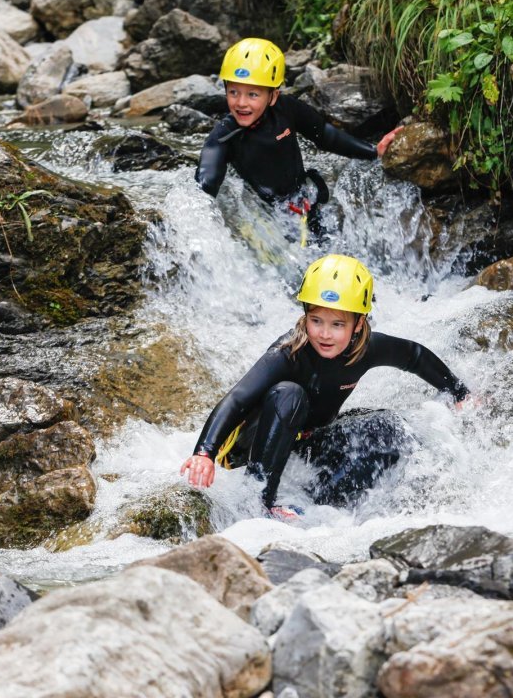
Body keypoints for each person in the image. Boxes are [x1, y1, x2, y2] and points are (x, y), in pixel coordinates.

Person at [180, 254, 470, 517]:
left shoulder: (368, 348)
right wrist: (204, 452)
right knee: (290, 395)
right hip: (250, 447)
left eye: (337, 324)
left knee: (386, 427)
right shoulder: (288, 351)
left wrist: (459, 392)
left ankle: (333, 509)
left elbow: (415, 356)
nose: (324, 334)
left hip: (304, 442)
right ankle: (257, 503)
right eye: (315, 320)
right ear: (305, 315)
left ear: (358, 324)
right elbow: (237, 399)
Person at [195, 38, 403, 230]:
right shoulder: (224, 135)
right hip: (269, 217)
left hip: (303, 199)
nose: (241, 103)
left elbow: (324, 135)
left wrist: (373, 151)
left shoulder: (287, 109)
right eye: (233, 92)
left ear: (273, 96)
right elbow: (207, 177)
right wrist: (201, 198)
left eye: (252, 94)